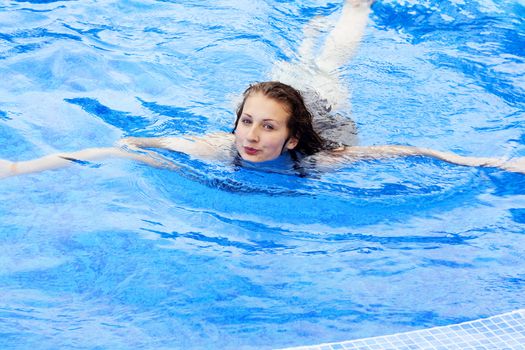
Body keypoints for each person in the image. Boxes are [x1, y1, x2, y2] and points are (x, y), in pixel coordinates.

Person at [1, 0, 524, 179]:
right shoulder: (218, 147)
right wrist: (20, 168)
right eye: (247, 121)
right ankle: (309, 35)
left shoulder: (320, 159)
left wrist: (492, 163)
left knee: (328, 68)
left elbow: (411, 152)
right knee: (301, 59)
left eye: (267, 127)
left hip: (324, 111)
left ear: (290, 140)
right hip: (292, 98)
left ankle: (356, 7)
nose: (251, 136)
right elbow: (114, 153)